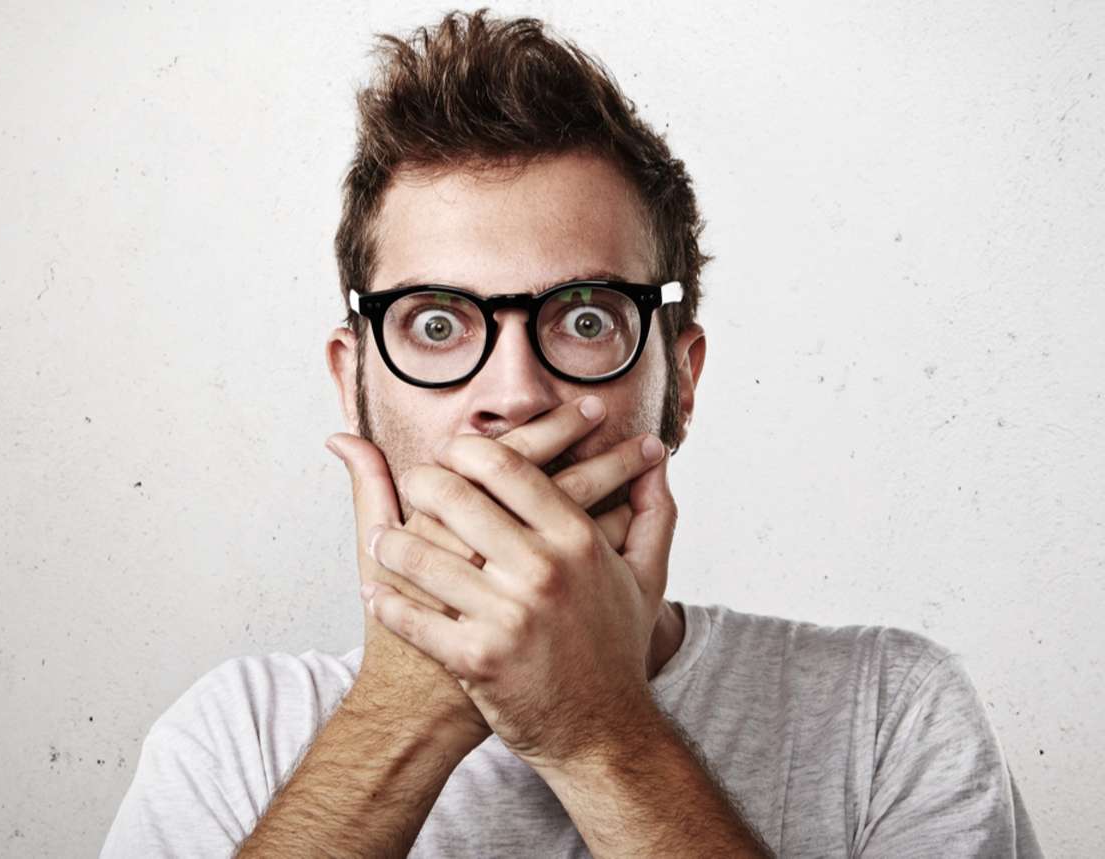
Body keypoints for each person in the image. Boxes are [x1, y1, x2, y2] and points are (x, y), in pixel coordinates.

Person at [102, 10, 1043, 857]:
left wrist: (600, 731)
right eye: (437, 324)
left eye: (586, 320)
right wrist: (407, 712)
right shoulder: (233, 740)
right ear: (354, 385)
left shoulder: (892, 715)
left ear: (681, 383)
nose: (513, 395)